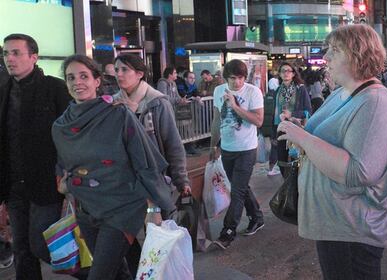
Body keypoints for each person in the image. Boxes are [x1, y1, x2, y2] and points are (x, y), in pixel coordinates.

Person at [277, 24, 387, 280]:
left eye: (335, 50)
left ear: (358, 55)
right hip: (334, 223)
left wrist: (303, 138)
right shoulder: (342, 94)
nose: (326, 57)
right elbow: (325, 134)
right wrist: (299, 129)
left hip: (352, 230)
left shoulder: (374, 101)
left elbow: (358, 171)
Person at [53, 54, 174, 280]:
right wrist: (65, 183)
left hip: (121, 209)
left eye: (83, 76)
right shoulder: (61, 126)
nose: (77, 82)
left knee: (100, 275)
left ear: (97, 81)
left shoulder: (118, 115)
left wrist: (154, 208)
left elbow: (145, 162)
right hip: (86, 210)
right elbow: (63, 165)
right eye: (70, 78)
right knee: (116, 272)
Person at [113, 53, 191, 275]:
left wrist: (181, 179)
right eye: (117, 69)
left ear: (139, 74)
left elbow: (173, 144)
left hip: (154, 185)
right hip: (124, 184)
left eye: (124, 70)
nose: (119, 74)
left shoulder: (157, 103)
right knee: (123, 239)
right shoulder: (113, 103)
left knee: (155, 236)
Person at [0, 34, 71, 279]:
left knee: (41, 244)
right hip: (13, 184)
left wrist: (65, 172)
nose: (10, 58)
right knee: (21, 248)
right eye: (6, 53)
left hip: (45, 181)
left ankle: (101, 272)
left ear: (34, 56)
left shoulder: (55, 88)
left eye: (16, 53)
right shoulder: (4, 91)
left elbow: (70, 135)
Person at [209, 59, 265, 249]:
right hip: (227, 148)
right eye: (233, 78)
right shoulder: (218, 91)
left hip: (247, 149)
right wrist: (213, 145)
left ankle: (228, 232)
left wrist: (235, 106)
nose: (237, 82)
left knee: (237, 191)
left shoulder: (253, 92)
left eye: (241, 78)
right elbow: (217, 120)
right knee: (240, 186)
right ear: (226, 78)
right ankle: (257, 217)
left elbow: (258, 121)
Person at [267, 62, 311, 177]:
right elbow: (274, 113)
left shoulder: (300, 89)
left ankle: (296, 186)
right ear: (280, 74)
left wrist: (291, 114)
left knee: (296, 159)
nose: (286, 73)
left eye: (288, 71)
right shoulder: (277, 91)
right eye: (283, 71)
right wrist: (273, 133)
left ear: (293, 74)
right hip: (280, 128)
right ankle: (286, 182)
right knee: (281, 159)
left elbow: (308, 111)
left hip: (296, 127)